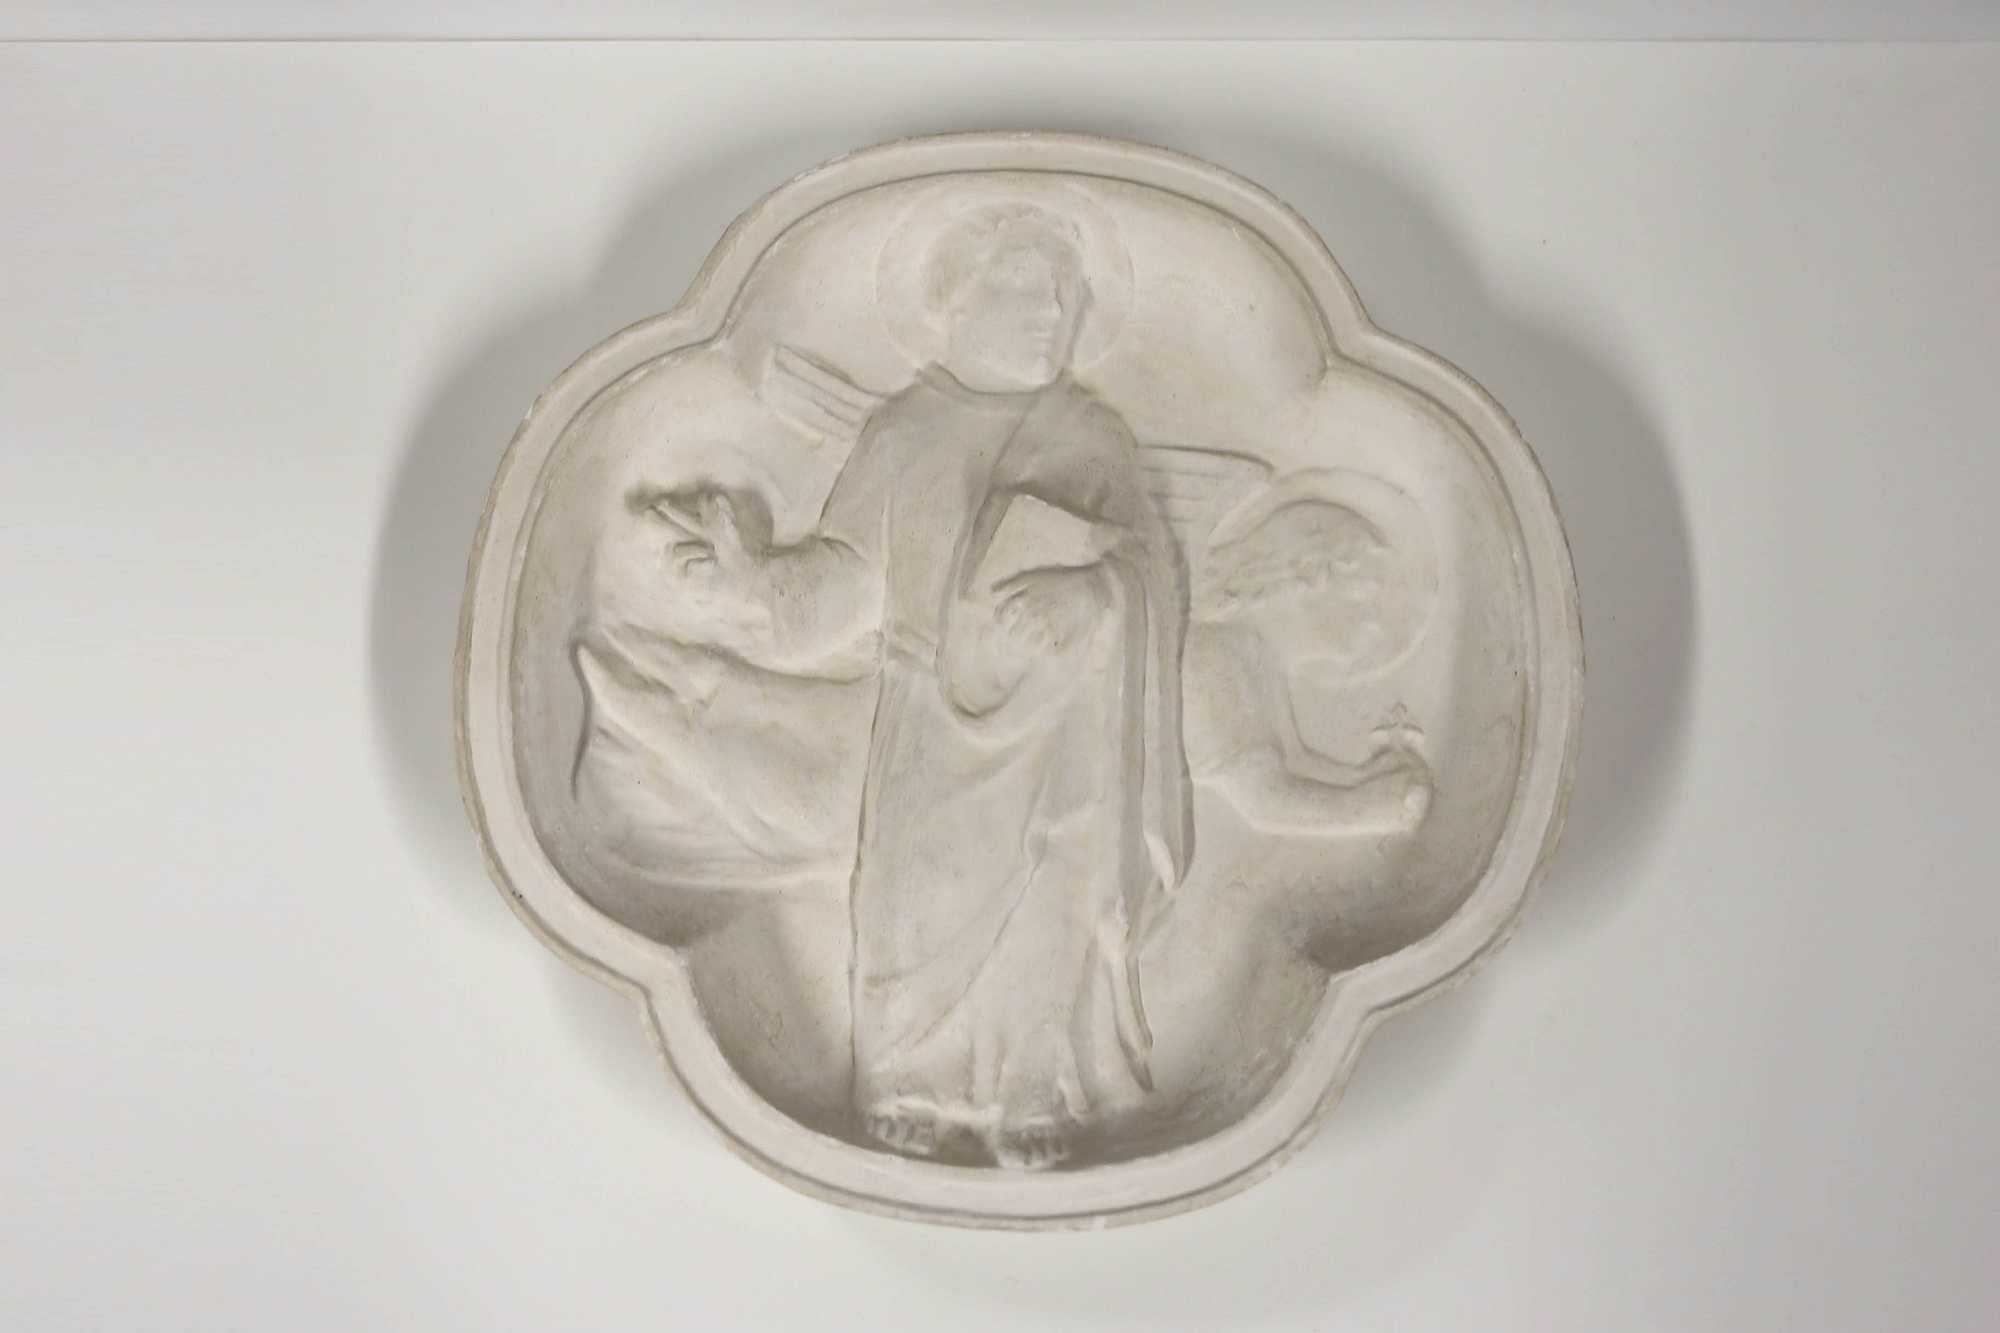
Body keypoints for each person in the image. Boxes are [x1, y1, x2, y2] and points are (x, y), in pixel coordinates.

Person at [665, 202, 1189, 1168]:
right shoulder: (904, 432)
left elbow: (1153, 573)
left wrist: (1092, 592)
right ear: (957, 300)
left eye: (1064, 294)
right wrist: (750, 583)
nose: (1051, 313)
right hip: (929, 719)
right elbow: (845, 582)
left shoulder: (1093, 436)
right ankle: (904, 1072)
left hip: (1058, 727)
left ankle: (1031, 1082)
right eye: (1024, 289)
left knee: (1044, 895)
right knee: (914, 901)